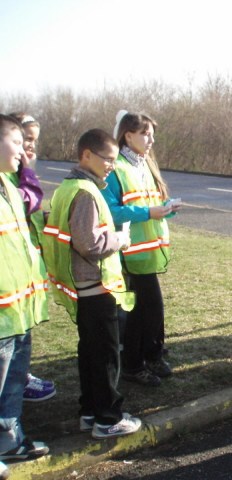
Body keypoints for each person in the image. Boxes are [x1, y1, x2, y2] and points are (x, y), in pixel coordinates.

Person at [43, 129, 141, 439]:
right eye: (108, 160)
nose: (111, 166)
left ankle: (89, 412)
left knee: (90, 353)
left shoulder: (68, 187)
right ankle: (107, 418)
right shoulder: (85, 192)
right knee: (105, 356)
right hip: (95, 287)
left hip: (83, 287)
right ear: (87, 155)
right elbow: (89, 244)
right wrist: (121, 239)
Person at [102, 111, 178, 387]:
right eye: (145, 133)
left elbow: (148, 204)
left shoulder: (144, 164)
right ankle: (138, 363)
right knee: (145, 310)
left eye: (151, 134)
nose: (151, 139)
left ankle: (148, 358)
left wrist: (166, 210)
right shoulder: (116, 167)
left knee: (145, 310)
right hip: (129, 253)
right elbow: (110, 211)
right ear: (127, 134)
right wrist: (149, 212)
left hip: (147, 251)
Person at [0, 114, 50, 471]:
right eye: (17, 142)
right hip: (3, 312)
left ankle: (9, 441)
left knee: (12, 384)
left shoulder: (8, 186)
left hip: (19, 308)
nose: (24, 150)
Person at [5, 113, 57, 404]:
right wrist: (29, 171)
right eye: (25, 140)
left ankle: (20, 376)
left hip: (24, 268)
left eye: (34, 141)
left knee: (22, 335)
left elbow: (29, 212)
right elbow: (27, 200)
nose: (30, 147)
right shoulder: (14, 173)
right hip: (9, 274)